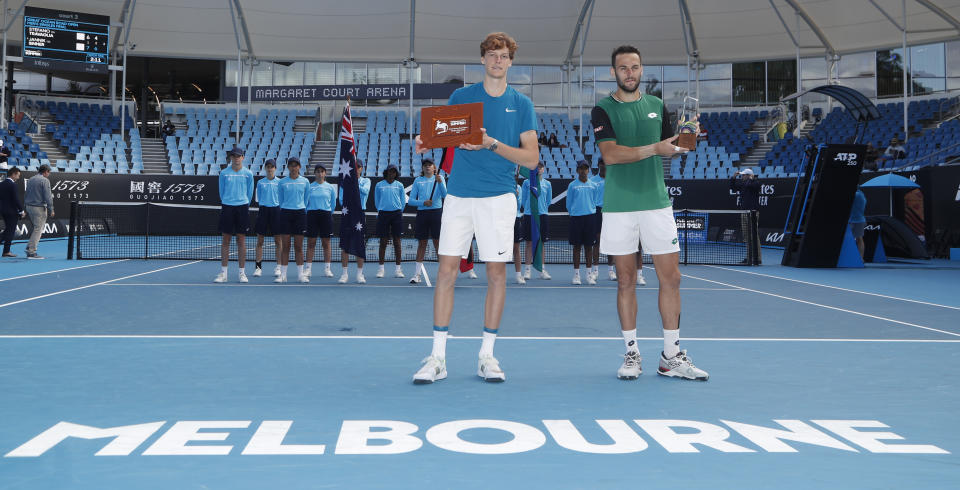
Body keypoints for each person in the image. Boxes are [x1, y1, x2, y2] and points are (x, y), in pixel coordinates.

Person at [412, 31, 539, 384]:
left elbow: (531, 158)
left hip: (499, 198)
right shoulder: (461, 96)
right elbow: (442, 135)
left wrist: (491, 144)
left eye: (504, 56)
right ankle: (437, 358)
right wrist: (426, 141)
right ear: (482, 59)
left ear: (511, 62)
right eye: (492, 54)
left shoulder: (522, 104)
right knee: (447, 272)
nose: (498, 61)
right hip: (459, 196)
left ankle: (487, 356)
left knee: (496, 274)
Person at [592, 44, 708, 382]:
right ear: (614, 73)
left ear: (641, 70)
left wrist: (688, 139)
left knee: (671, 278)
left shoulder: (658, 106)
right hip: (619, 206)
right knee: (625, 280)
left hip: (657, 203)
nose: (630, 73)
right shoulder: (602, 109)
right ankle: (632, 353)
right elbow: (611, 155)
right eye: (623, 68)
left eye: (635, 67)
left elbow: (671, 151)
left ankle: (671, 356)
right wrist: (655, 148)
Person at [214, 147, 255, 283]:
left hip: (242, 208)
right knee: (225, 240)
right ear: (231, 158)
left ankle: (242, 273)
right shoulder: (224, 173)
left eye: (238, 156)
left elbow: (249, 193)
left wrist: (244, 204)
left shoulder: (248, 174)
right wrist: (227, 202)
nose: (236, 158)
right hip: (227, 207)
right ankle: (223, 273)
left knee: (241, 241)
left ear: (242, 157)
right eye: (234, 156)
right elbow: (221, 191)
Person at [408, 158, 447, 284]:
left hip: (436, 213)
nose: (427, 167)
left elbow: (445, 195)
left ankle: (443, 275)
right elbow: (411, 201)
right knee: (422, 243)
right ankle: (417, 275)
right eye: (425, 165)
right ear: (423, 168)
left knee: (437, 242)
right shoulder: (418, 180)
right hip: (422, 213)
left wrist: (440, 182)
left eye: (429, 165)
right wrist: (423, 202)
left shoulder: (439, 178)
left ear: (434, 167)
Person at [275, 157, 310, 283]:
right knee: (286, 246)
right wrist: (287, 207)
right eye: (291, 165)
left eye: (296, 165)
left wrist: (299, 207)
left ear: (299, 167)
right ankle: (283, 275)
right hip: (285, 213)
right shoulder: (282, 182)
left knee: (298, 246)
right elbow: (280, 199)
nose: (294, 168)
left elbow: (306, 199)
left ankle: (301, 275)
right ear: (288, 167)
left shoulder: (305, 182)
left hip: (300, 214)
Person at [338, 159, 371, 284]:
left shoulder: (366, 181)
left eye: (358, 167)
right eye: (354, 167)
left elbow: (365, 192)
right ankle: (344, 274)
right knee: (345, 243)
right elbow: (341, 200)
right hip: (348, 214)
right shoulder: (344, 182)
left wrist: (353, 183)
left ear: (361, 169)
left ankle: (359, 274)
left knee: (359, 243)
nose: (356, 169)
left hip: (360, 214)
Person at [566, 160, 598, 285]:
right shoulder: (572, 185)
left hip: (590, 218)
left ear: (588, 170)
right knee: (577, 247)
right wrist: (574, 213)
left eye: (585, 168)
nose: (583, 171)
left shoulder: (593, 186)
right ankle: (576, 275)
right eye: (581, 168)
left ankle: (589, 275)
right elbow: (569, 204)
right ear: (577, 170)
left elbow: (594, 201)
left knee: (589, 247)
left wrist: (589, 210)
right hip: (576, 219)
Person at [520, 161, 552, 280]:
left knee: (541, 243)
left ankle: (542, 270)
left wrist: (541, 208)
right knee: (529, 243)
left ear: (543, 169)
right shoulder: (526, 182)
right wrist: (530, 208)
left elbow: (548, 201)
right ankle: (527, 270)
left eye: (541, 167)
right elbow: (523, 200)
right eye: (537, 167)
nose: (539, 169)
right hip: (529, 214)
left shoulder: (548, 184)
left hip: (542, 215)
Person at [305, 165, 337, 280]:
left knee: (326, 243)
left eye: (322, 172)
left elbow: (333, 204)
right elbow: (305, 202)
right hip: (312, 215)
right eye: (317, 172)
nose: (319, 174)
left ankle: (327, 269)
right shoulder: (309, 187)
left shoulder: (330, 187)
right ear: (315, 173)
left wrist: (327, 212)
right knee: (311, 243)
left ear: (325, 174)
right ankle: (308, 269)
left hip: (326, 215)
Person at [375, 164, 407, 278]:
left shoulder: (399, 185)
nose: (391, 173)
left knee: (397, 242)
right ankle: (381, 269)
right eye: (390, 171)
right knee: (383, 242)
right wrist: (381, 209)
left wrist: (399, 211)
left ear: (396, 173)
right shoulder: (379, 185)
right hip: (383, 214)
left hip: (396, 214)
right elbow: (377, 201)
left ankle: (398, 270)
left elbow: (403, 201)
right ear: (386, 172)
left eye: (393, 172)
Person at [253, 159, 282, 278]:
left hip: (276, 211)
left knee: (278, 241)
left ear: (275, 168)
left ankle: (278, 267)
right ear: (265, 168)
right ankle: (258, 268)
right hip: (263, 211)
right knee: (260, 241)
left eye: (272, 167)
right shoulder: (260, 183)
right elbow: (259, 197)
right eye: (268, 167)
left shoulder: (280, 182)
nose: (270, 169)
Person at [730, 167, 762, 263]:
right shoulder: (743, 184)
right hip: (744, 212)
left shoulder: (755, 183)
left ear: (749, 176)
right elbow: (733, 187)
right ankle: (749, 257)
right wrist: (733, 178)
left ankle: (757, 258)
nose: (742, 176)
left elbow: (752, 186)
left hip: (752, 213)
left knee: (754, 235)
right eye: (742, 175)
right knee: (747, 236)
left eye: (744, 175)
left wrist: (751, 179)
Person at [24, 164, 54, 259]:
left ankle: (29, 246)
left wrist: (25, 207)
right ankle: (31, 252)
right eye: (49, 172)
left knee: (36, 228)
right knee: (38, 229)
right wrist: (51, 209)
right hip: (39, 208)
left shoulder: (31, 179)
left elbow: (26, 193)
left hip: (29, 207)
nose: (49, 175)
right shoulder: (45, 180)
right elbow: (48, 197)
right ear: (46, 172)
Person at [589, 159, 608, 282]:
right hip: (596, 212)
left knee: (611, 241)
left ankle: (611, 271)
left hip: (610, 211)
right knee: (596, 241)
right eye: (602, 163)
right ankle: (595, 270)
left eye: (606, 163)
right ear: (599, 165)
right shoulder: (592, 181)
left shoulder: (613, 179)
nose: (604, 166)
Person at [1, 166, 25, 257]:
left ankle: (6, 251)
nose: (18, 178)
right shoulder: (13, 185)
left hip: (3, 210)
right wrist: (21, 210)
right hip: (11, 212)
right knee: (10, 231)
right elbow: (15, 199)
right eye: (18, 175)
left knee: (8, 230)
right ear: (13, 174)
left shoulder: (1, 184)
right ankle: (6, 251)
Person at [512, 174, 525, 284]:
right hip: (503, 220)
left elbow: (519, 205)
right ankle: (498, 275)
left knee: (516, 248)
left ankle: (518, 275)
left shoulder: (519, 188)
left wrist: (515, 196)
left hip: (515, 219)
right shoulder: (501, 187)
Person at [850, 186, 867, 259]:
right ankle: (861, 259)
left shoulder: (856, 195)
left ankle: (852, 257)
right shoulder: (862, 195)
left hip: (852, 220)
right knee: (859, 239)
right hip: (860, 220)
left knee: (849, 239)